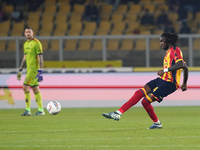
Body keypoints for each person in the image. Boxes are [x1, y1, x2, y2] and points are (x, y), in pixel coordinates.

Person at [102, 33, 188, 129]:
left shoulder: (175, 50)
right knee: (139, 92)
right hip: (162, 80)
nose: (160, 43)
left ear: (168, 41)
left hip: (169, 83)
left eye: (162, 41)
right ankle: (118, 113)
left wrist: (165, 70)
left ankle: (157, 123)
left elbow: (181, 64)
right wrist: (184, 83)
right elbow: (185, 67)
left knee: (145, 102)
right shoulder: (169, 52)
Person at [17, 26, 45, 116]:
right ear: (24, 34)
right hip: (29, 69)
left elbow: (40, 57)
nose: (28, 33)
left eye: (29, 32)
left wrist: (40, 71)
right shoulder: (25, 44)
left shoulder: (37, 43)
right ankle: (41, 110)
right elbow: (24, 58)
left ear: (33, 33)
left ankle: (28, 110)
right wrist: (20, 70)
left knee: (25, 87)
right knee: (35, 88)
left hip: (34, 69)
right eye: (26, 32)